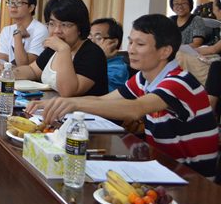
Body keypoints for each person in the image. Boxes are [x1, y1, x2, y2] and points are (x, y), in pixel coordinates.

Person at [28, 14, 219, 178]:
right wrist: (59, 102)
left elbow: (135, 109)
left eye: (140, 44)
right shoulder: (143, 78)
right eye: (130, 42)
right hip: (162, 167)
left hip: (192, 179)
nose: (131, 49)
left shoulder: (179, 82)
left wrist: (74, 105)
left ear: (165, 51)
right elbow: (102, 100)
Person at [14, 0, 108, 96]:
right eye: (52, 24)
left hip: (82, 107)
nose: (57, 31)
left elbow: (68, 92)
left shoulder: (92, 53)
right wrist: (8, 72)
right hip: (50, 103)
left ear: (80, 27)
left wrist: (63, 50)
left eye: (65, 25)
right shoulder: (54, 48)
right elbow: (32, 70)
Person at [0, 0, 48, 66]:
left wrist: (17, 36)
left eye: (19, 2)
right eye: (11, 2)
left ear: (31, 8)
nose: (13, 6)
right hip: (9, 73)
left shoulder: (41, 30)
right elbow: (1, 61)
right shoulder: (6, 30)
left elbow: (25, 65)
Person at [89, 17, 129, 92]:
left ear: (113, 42)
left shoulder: (118, 69)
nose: (91, 42)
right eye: (89, 37)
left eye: (98, 38)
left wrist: (100, 58)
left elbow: (98, 92)